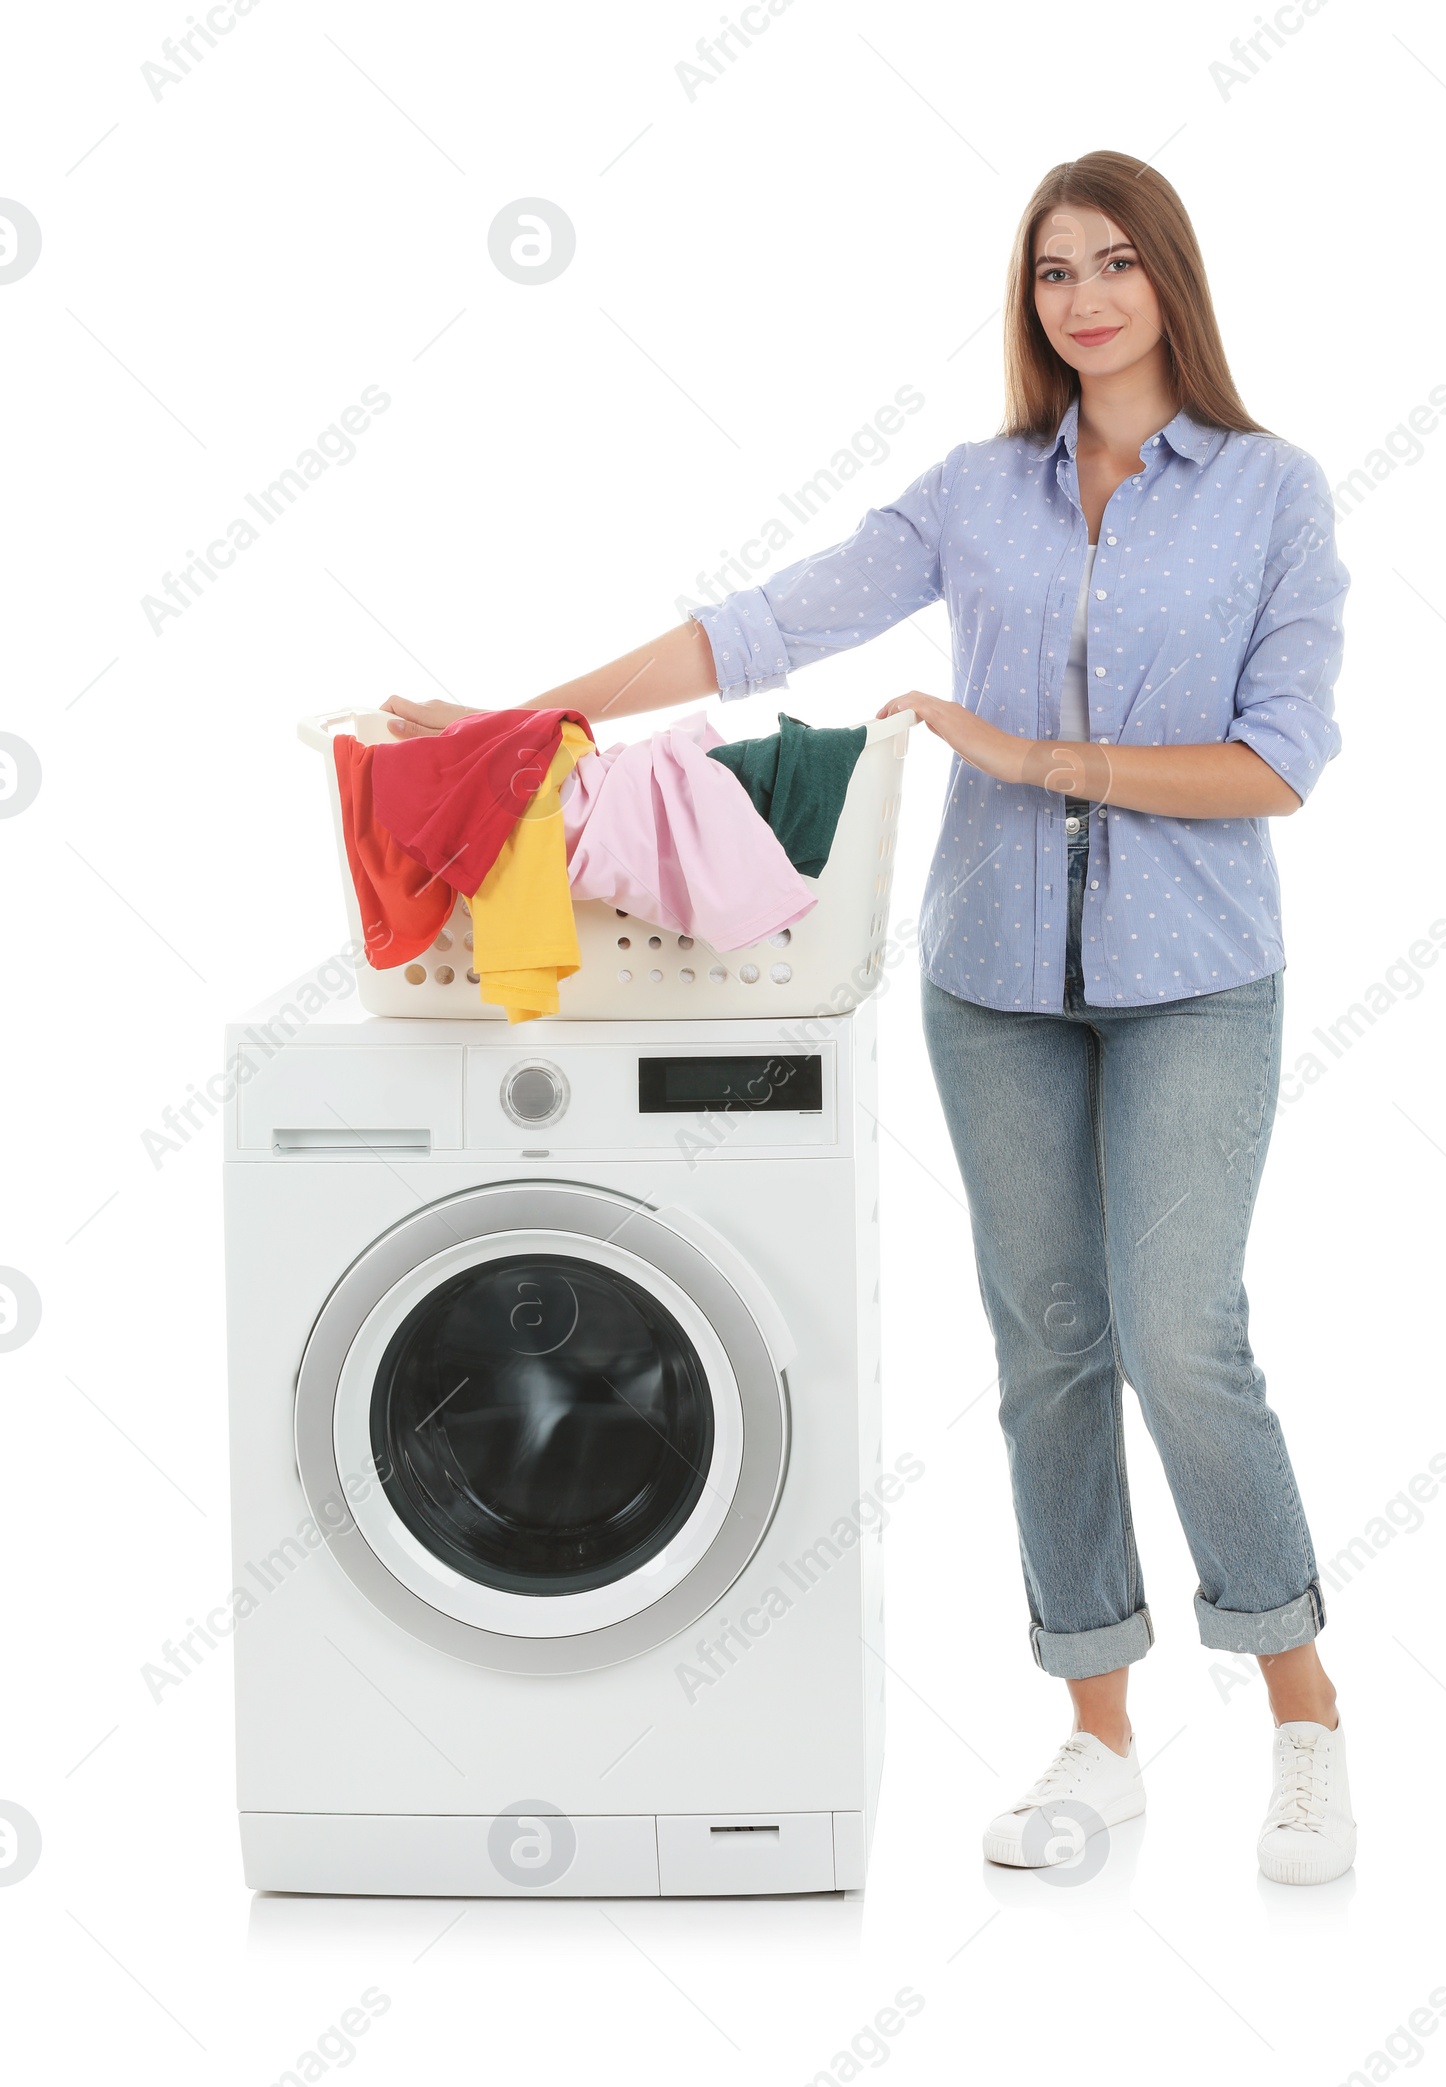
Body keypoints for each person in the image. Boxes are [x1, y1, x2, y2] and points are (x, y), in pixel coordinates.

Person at [382, 149, 1357, 1887]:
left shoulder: (1273, 494)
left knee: (1179, 1329)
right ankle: (1097, 1738)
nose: (1085, 298)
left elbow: (1277, 764)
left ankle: (1301, 1715)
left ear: (1172, 283)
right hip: (994, 981)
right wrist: (516, 731)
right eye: (1054, 271)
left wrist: (1031, 756)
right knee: (1048, 1346)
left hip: (1199, 976)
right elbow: (766, 626)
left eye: (1116, 263)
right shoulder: (980, 492)